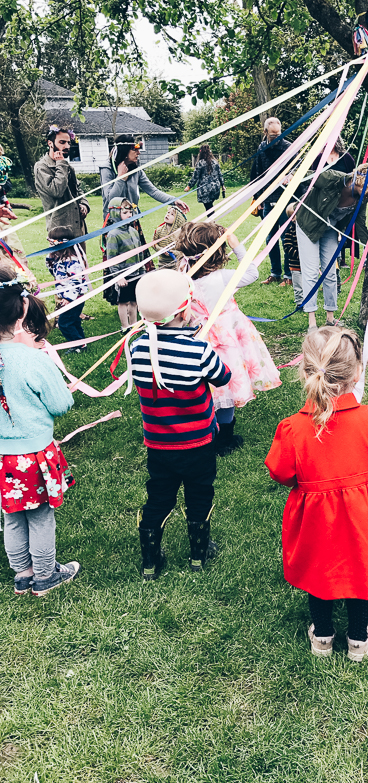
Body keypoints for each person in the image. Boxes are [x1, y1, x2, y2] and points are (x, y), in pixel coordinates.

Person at [264, 327, 368, 660]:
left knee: (318, 570)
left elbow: (280, 472)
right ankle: (357, 640)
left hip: (315, 519)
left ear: (305, 370)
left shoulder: (293, 428)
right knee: (360, 568)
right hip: (361, 516)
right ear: (357, 372)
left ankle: (322, 636)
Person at [129, 269, 232, 580]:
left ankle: (151, 561)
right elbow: (224, 376)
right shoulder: (198, 350)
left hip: (158, 444)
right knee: (200, 493)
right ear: (184, 310)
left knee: (159, 495)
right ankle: (199, 554)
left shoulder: (136, 348)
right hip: (199, 442)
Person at [0, 265, 80, 597]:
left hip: (2, 458)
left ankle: (23, 574)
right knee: (40, 515)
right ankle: (45, 576)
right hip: (33, 455)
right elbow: (61, 404)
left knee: (12, 516)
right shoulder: (32, 360)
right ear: (21, 318)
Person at [175, 219, 281, 456]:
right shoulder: (222, 277)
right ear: (217, 251)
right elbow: (252, 273)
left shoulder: (183, 275)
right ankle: (224, 440)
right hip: (228, 339)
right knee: (226, 386)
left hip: (198, 338)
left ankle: (205, 429)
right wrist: (235, 243)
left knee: (207, 385)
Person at [295, 164, 368, 329]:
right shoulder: (333, 178)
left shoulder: (362, 196)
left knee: (330, 272)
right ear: (358, 180)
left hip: (329, 229)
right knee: (311, 273)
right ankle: (312, 323)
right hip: (308, 225)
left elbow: (360, 224)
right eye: (367, 189)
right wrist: (290, 177)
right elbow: (308, 175)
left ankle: (330, 318)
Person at [99, 134, 189, 222]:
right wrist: (121, 178)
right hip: (113, 221)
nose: (139, 153)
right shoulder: (107, 168)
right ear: (125, 151)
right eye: (135, 150)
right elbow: (110, 199)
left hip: (132, 219)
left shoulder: (136, 169)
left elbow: (153, 191)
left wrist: (174, 201)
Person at [250, 118, 292, 286]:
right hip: (267, 200)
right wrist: (258, 197)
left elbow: (298, 170)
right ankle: (275, 273)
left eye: (278, 134)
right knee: (270, 238)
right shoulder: (261, 148)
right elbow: (258, 174)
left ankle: (289, 275)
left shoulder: (289, 147)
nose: (276, 137)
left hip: (286, 199)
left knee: (286, 237)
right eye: (273, 134)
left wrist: (290, 176)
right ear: (265, 132)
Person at [34, 125, 89, 237]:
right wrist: (61, 164)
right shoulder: (41, 167)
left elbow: (77, 189)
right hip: (59, 229)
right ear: (50, 143)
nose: (67, 146)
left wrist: (84, 204)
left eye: (69, 143)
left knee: (81, 255)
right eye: (62, 142)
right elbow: (56, 191)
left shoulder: (67, 166)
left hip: (78, 226)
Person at [105, 197, 148, 331]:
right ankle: (125, 326)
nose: (129, 215)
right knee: (124, 302)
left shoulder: (134, 232)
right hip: (124, 275)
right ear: (115, 214)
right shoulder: (113, 234)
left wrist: (142, 272)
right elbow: (111, 258)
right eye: (125, 213)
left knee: (135, 301)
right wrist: (119, 276)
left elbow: (140, 254)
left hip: (136, 274)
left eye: (130, 212)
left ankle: (134, 325)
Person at [45, 226, 90, 352]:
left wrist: (68, 298)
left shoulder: (72, 261)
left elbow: (75, 281)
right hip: (70, 297)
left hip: (74, 298)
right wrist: (51, 255)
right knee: (74, 321)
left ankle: (78, 345)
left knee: (65, 323)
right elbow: (51, 268)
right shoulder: (59, 258)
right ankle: (82, 344)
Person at [184, 144, 226, 215]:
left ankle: (212, 223)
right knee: (210, 206)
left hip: (205, 189)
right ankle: (212, 222)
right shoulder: (215, 162)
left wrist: (189, 186)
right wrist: (222, 185)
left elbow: (195, 176)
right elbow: (220, 174)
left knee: (209, 208)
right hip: (215, 188)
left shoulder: (201, 163)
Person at [153, 203, 187, 269]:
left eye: (172, 214)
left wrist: (174, 252)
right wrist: (161, 250)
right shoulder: (159, 230)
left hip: (176, 263)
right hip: (162, 263)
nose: (168, 214)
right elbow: (153, 243)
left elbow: (183, 249)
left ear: (178, 220)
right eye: (168, 212)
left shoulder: (180, 233)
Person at [283, 205, 303, 306]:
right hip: (295, 266)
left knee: (308, 285)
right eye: (292, 216)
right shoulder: (289, 232)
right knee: (298, 286)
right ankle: (300, 304)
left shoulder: (306, 232)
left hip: (307, 266)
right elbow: (287, 247)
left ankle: (308, 303)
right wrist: (301, 256)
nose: (295, 218)